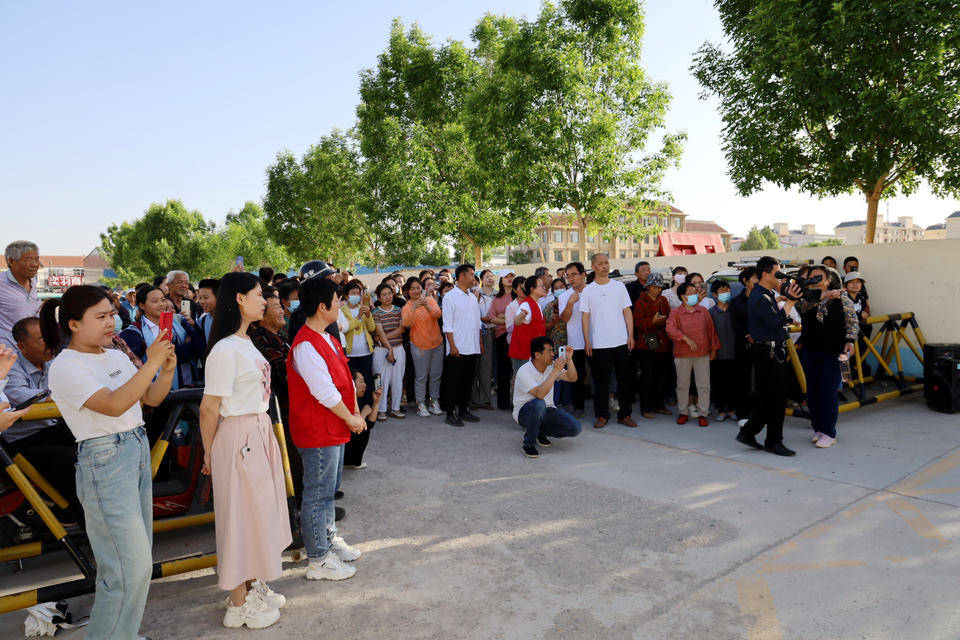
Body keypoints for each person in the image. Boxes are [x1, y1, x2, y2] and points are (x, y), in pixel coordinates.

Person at [43, 285, 176, 639]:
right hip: (104, 458)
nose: (110, 322)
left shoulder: (115, 355)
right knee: (125, 570)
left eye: (111, 313)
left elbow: (150, 398)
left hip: (134, 448)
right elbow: (114, 404)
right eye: (100, 316)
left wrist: (163, 370)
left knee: (135, 566)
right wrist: (150, 363)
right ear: (73, 323)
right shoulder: (65, 366)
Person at [200, 272, 290, 629]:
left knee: (257, 516)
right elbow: (209, 408)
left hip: (256, 430)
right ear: (239, 299)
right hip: (238, 437)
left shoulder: (244, 342)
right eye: (258, 294)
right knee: (238, 520)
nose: (265, 300)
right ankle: (238, 604)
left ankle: (252, 586)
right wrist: (209, 453)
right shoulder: (224, 350)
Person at [287, 276, 367, 585]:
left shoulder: (327, 337)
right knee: (317, 493)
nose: (342, 304)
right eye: (337, 300)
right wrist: (351, 417)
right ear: (322, 307)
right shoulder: (306, 344)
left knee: (327, 492)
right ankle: (318, 558)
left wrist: (352, 413)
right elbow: (324, 392)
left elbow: (342, 381)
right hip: (318, 430)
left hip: (333, 428)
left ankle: (328, 539)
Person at [3, 318, 81, 519]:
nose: (49, 342)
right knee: (72, 459)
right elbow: (21, 396)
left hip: (50, 429)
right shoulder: (10, 367)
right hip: (21, 442)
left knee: (95, 444)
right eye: (41, 339)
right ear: (22, 346)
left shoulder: (53, 362)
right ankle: (75, 515)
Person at [736, 256, 802, 456]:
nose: (780, 277)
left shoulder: (765, 295)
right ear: (765, 274)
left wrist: (785, 300)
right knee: (776, 399)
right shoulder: (759, 296)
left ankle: (748, 432)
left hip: (770, 352)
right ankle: (774, 441)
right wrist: (790, 303)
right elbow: (775, 323)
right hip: (767, 354)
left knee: (769, 399)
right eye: (777, 273)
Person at [799, 266, 858, 448]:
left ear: (828, 280)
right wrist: (824, 295)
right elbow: (803, 306)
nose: (815, 280)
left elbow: (852, 321)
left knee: (828, 391)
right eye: (812, 277)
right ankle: (818, 428)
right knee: (813, 392)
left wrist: (850, 340)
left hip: (834, 351)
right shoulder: (805, 299)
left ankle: (829, 432)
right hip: (811, 351)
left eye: (819, 277)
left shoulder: (843, 299)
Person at [580, 253, 637, 428]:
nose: (605, 266)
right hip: (599, 344)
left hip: (621, 342)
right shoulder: (588, 290)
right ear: (593, 266)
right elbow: (585, 317)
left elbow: (627, 312)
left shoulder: (619, 287)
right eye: (601, 263)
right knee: (601, 382)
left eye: (607, 263)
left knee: (625, 381)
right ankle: (602, 415)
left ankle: (625, 415)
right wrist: (587, 341)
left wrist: (630, 335)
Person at [338, 280, 385, 468]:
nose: (356, 295)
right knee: (353, 384)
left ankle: (366, 414)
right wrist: (358, 319)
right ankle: (354, 413)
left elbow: (372, 329)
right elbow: (348, 326)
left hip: (366, 352)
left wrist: (367, 315)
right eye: (353, 292)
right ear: (347, 295)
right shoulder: (342, 310)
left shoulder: (365, 308)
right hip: (350, 352)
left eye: (359, 291)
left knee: (364, 385)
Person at [121, 285, 204, 389]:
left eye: (163, 300)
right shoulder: (134, 332)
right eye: (155, 301)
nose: (161, 304)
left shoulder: (179, 320)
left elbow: (199, 346)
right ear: (142, 305)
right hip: (152, 390)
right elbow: (132, 365)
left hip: (185, 385)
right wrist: (183, 349)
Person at [514, 336, 581, 458]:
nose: (553, 354)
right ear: (537, 355)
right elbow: (540, 394)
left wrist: (569, 360)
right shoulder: (524, 371)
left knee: (575, 428)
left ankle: (539, 432)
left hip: (547, 410)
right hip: (524, 413)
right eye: (549, 351)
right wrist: (555, 371)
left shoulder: (550, 368)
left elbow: (572, 378)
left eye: (553, 350)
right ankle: (528, 444)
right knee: (539, 403)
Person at [666, 282, 720, 426]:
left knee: (704, 385)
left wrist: (713, 349)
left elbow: (711, 332)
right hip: (682, 355)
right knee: (682, 385)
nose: (695, 294)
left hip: (702, 354)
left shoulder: (703, 311)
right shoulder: (676, 312)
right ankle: (683, 412)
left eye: (695, 291)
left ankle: (703, 413)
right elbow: (669, 329)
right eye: (691, 292)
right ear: (683, 296)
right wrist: (686, 339)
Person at [440, 264, 482, 427]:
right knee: (453, 382)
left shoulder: (472, 297)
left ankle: (463, 410)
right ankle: (450, 413)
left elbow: (477, 323)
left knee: (467, 381)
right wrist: (452, 346)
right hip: (457, 349)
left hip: (472, 347)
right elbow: (447, 325)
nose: (473, 278)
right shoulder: (450, 297)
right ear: (462, 277)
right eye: (471, 275)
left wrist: (479, 344)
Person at [632, 272, 673, 420]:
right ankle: (646, 407)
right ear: (648, 287)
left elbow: (669, 318)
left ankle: (659, 405)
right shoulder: (640, 302)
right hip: (645, 345)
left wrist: (664, 321)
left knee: (661, 377)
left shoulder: (663, 300)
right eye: (654, 287)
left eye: (659, 287)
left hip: (663, 344)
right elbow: (636, 323)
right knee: (647, 377)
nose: (657, 290)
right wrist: (652, 322)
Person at [401, 277, 444, 417]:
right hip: (419, 346)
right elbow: (406, 323)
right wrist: (414, 307)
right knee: (421, 376)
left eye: (418, 287)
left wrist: (427, 305)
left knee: (436, 375)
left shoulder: (430, 300)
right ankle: (420, 404)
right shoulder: (406, 307)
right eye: (412, 289)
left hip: (437, 344)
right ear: (407, 291)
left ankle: (434, 401)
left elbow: (438, 315)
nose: (416, 291)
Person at [558, 262, 589, 417]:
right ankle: (579, 406)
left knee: (600, 375)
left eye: (574, 274)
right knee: (578, 376)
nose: (570, 278)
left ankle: (602, 409)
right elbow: (564, 318)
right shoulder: (564, 296)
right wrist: (570, 303)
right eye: (568, 276)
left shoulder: (593, 291)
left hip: (597, 340)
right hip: (575, 342)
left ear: (583, 274)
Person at [372, 283, 406, 419]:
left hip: (398, 349)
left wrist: (383, 339)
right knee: (381, 380)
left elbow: (401, 329)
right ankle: (381, 409)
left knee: (397, 379)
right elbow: (379, 330)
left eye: (389, 293)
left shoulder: (399, 310)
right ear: (379, 298)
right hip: (381, 351)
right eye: (384, 294)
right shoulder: (376, 312)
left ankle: (396, 408)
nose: (387, 297)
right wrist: (388, 347)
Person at [1, 240, 42, 347]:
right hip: (7, 351)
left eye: (36, 259)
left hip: (32, 350)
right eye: (29, 259)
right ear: (11, 261)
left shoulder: (33, 282)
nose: (35, 265)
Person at [708, 281, 738, 421]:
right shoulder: (711, 313)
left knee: (733, 382)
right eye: (722, 291)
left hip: (734, 353)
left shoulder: (734, 311)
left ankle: (731, 409)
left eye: (727, 290)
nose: (726, 293)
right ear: (714, 295)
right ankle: (721, 410)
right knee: (718, 383)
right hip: (717, 355)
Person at [731, 267, 759, 418]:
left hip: (762, 344)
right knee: (743, 379)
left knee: (760, 380)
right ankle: (743, 412)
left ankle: (759, 412)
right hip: (743, 345)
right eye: (754, 277)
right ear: (745, 281)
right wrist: (747, 335)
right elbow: (735, 324)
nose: (757, 280)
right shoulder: (736, 302)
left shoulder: (763, 299)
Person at [508, 276, 547, 373]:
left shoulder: (537, 304)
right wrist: (521, 315)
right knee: (525, 385)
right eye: (541, 286)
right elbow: (516, 321)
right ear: (532, 289)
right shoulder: (526, 304)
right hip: (523, 354)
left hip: (533, 354)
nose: (544, 288)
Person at [489, 270, 515, 411]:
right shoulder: (496, 299)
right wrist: (509, 319)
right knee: (503, 371)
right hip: (501, 337)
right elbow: (491, 318)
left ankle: (518, 402)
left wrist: (502, 317)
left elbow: (519, 318)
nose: (510, 279)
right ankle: (504, 403)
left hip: (517, 336)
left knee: (517, 370)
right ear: (501, 279)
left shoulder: (519, 297)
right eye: (507, 277)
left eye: (512, 276)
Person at [472, 269, 497, 410]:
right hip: (471, 335)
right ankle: (473, 400)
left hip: (486, 334)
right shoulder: (467, 299)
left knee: (486, 368)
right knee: (473, 368)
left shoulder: (489, 300)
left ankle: (485, 400)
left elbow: (491, 320)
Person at [504, 276, 526, 347]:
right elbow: (509, 328)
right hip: (516, 343)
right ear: (514, 290)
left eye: (525, 287)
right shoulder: (511, 307)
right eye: (521, 287)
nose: (524, 289)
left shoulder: (533, 302)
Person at [196, 278, 220, 343]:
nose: (201, 302)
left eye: (206, 298)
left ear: (218, 297)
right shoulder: (201, 322)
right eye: (200, 298)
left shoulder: (231, 320)